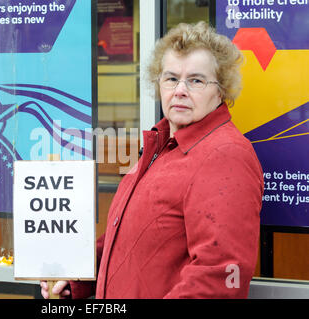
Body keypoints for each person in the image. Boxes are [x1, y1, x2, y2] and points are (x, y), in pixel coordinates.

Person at [40, 21, 264, 299]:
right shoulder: (161, 145)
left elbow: (218, 279)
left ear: (221, 91)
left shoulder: (224, 154)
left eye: (196, 80)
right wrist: (75, 279)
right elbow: (127, 242)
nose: (180, 89)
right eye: (171, 78)